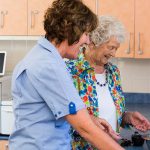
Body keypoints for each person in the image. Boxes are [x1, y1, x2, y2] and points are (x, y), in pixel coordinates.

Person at [9, 1, 124, 150]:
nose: (88, 41)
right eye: (86, 34)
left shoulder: (41, 57)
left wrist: (90, 119)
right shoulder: (48, 66)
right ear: (72, 31)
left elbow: (54, 111)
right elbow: (85, 129)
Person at [66, 15, 150, 150]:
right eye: (111, 48)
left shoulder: (113, 72)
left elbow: (111, 113)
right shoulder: (71, 71)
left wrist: (128, 117)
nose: (114, 54)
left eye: (116, 49)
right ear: (94, 42)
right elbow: (63, 117)